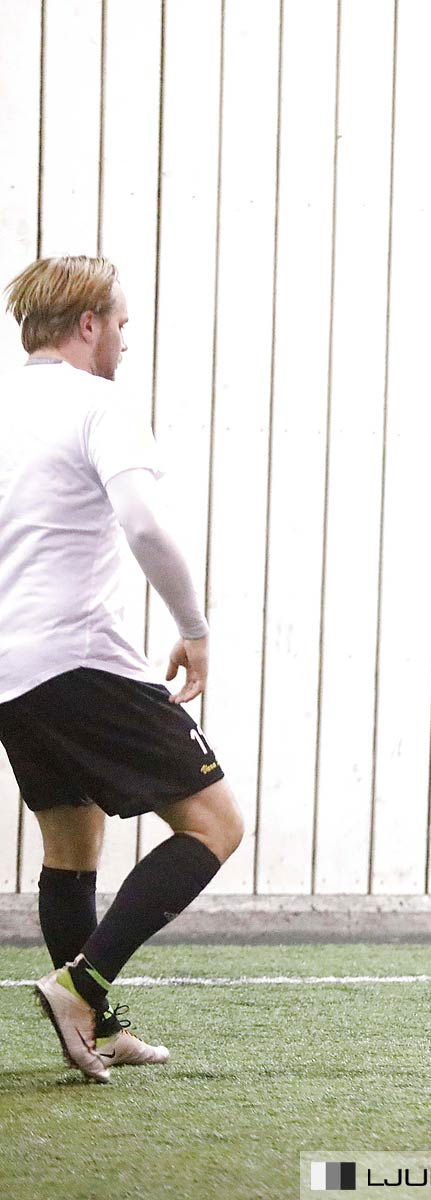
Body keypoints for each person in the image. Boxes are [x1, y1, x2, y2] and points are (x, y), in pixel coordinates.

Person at [2, 256, 243, 1083]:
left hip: (10, 674)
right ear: (88, 325)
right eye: (122, 324)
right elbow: (143, 523)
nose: (126, 342)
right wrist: (195, 627)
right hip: (78, 657)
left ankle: (96, 1027)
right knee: (215, 824)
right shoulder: (98, 404)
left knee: (73, 842)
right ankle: (83, 985)